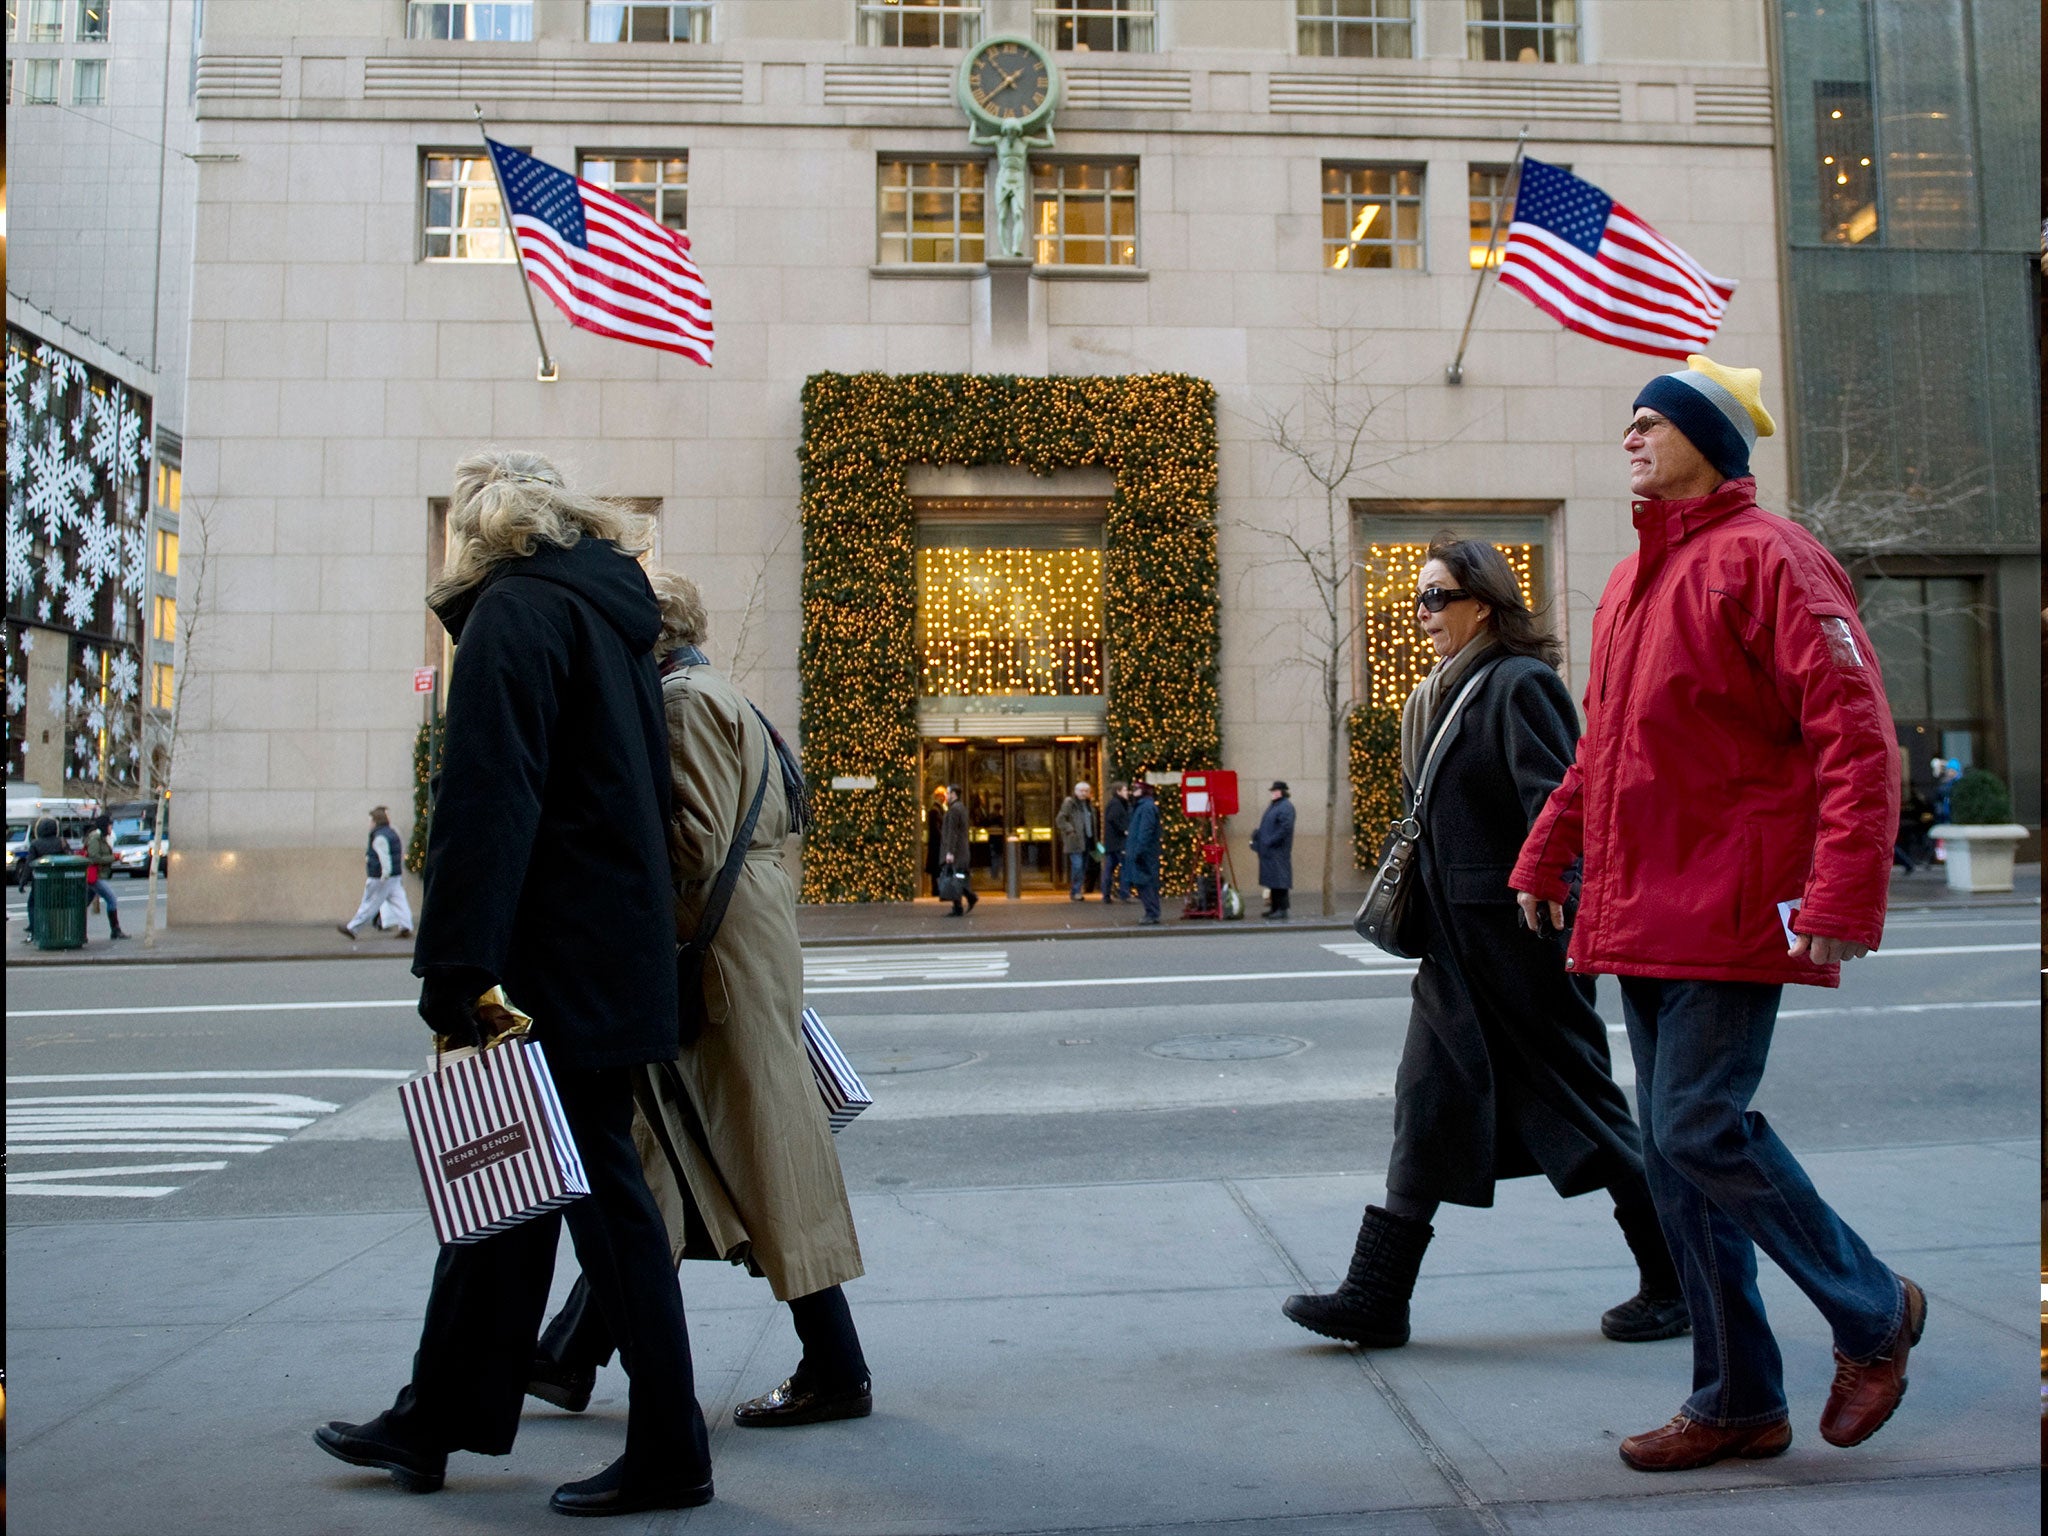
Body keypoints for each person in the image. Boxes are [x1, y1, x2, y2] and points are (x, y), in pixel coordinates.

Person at [1510, 356, 1915, 1474]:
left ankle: (1873, 1309)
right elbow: (1604, 751)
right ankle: (1737, 1397)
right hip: (1643, 904)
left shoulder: (1773, 558)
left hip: (1734, 903)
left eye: (1653, 422)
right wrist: (1546, 855)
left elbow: (1853, 734)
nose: (1630, 437)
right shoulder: (1633, 580)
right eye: (1628, 423)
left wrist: (1840, 891)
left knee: (1692, 1126)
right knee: (1673, 1157)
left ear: (1712, 441)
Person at [314, 448, 714, 1518]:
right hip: (606, 950)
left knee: (597, 1208)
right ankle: (433, 1418)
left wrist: (456, 964)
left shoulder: (514, 617)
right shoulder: (607, 620)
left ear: (480, 534)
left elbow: (491, 804)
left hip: (550, 961)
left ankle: (670, 1447)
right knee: (508, 1191)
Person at [1282, 539, 1685, 1356]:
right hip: (1453, 948)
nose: (1423, 614)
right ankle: (1376, 1296)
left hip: (1520, 946)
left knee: (1585, 1110)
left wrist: (1553, 898)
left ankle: (1679, 1277)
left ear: (1486, 604)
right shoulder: (1436, 696)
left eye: (1437, 597)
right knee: (1425, 1101)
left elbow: (1560, 805)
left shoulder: (1518, 685)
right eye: (1418, 600)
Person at [528, 570, 870, 1430]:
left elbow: (691, 845)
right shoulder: (725, 695)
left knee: (723, 1153)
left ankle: (836, 1368)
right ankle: (571, 1352)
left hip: (711, 962)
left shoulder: (681, 702)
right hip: (741, 950)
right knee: (687, 1157)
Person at [338, 806, 413, 941]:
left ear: (375, 821)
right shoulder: (392, 832)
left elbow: (384, 859)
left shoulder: (379, 837)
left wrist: (385, 875)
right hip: (395, 876)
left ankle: (353, 928)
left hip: (380, 877)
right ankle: (406, 926)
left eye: (370, 821)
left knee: (370, 904)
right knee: (399, 901)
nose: (369, 824)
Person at [18, 816, 70, 941]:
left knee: (32, 905)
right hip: (60, 881)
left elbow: (29, 865)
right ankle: (60, 931)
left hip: (41, 883)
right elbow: (69, 859)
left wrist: (23, 882)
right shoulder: (61, 842)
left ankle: (34, 930)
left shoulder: (36, 844)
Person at [1250, 782, 1295, 920]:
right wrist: (1258, 834)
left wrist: (1270, 840)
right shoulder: (1275, 806)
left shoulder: (1285, 807)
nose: (1273, 793)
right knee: (1273, 881)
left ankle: (1282, 909)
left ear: (1282, 792)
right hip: (1270, 851)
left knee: (1280, 881)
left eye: (1276, 791)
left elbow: (1285, 828)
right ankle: (1275, 908)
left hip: (1277, 851)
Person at [81, 813, 129, 941]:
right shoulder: (96, 838)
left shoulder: (100, 837)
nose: (111, 828)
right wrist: (115, 857)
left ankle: (80, 931)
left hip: (95, 875)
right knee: (111, 899)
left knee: (83, 903)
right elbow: (94, 857)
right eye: (109, 825)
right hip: (95, 876)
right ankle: (115, 930)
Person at [1125, 781, 1161, 925]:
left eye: (1136, 789)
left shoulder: (1146, 807)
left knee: (1145, 883)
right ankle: (1152, 912)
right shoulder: (1143, 806)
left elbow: (1145, 830)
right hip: (1142, 851)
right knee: (1144, 883)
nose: (1133, 791)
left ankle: (1152, 913)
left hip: (1144, 852)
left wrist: (1138, 850)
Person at [1055, 781, 1096, 902]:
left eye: (1086, 791)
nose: (1084, 793)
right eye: (1081, 791)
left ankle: (1077, 889)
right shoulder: (1070, 803)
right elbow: (1060, 819)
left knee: (1083, 866)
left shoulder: (1090, 805)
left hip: (1088, 839)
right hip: (1075, 840)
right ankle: (1076, 891)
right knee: (1077, 865)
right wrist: (1070, 830)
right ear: (1075, 791)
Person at [940, 784, 977, 915]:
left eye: (947, 793)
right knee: (958, 877)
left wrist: (950, 852)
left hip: (957, 851)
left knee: (954, 878)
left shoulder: (954, 810)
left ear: (953, 794)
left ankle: (959, 906)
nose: (946, 796)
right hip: (961, 850)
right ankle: (966, 900)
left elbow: (952, 832)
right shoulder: (961, 808)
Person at [1101, 781, 1132, 902]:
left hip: (1112, 843)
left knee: (1109, 868)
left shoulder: (1115, 803)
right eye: (1124, 790)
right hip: (1119, 842)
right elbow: (1113, 818)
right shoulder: (1117, 804)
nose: (1127, 792)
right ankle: (1124, 893)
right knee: (1124, 867)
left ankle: (1106, 894)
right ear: (1118, 791)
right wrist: (1124, 830)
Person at [925, 786, 948, 896]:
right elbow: (936, 828)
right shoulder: (935, 810)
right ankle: (936, 888)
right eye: (942, 796)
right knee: (937, 867)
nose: (944, 798)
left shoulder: (937, 809)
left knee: (937, 867)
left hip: (936, 843)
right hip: (936, 844)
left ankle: (937, 888)